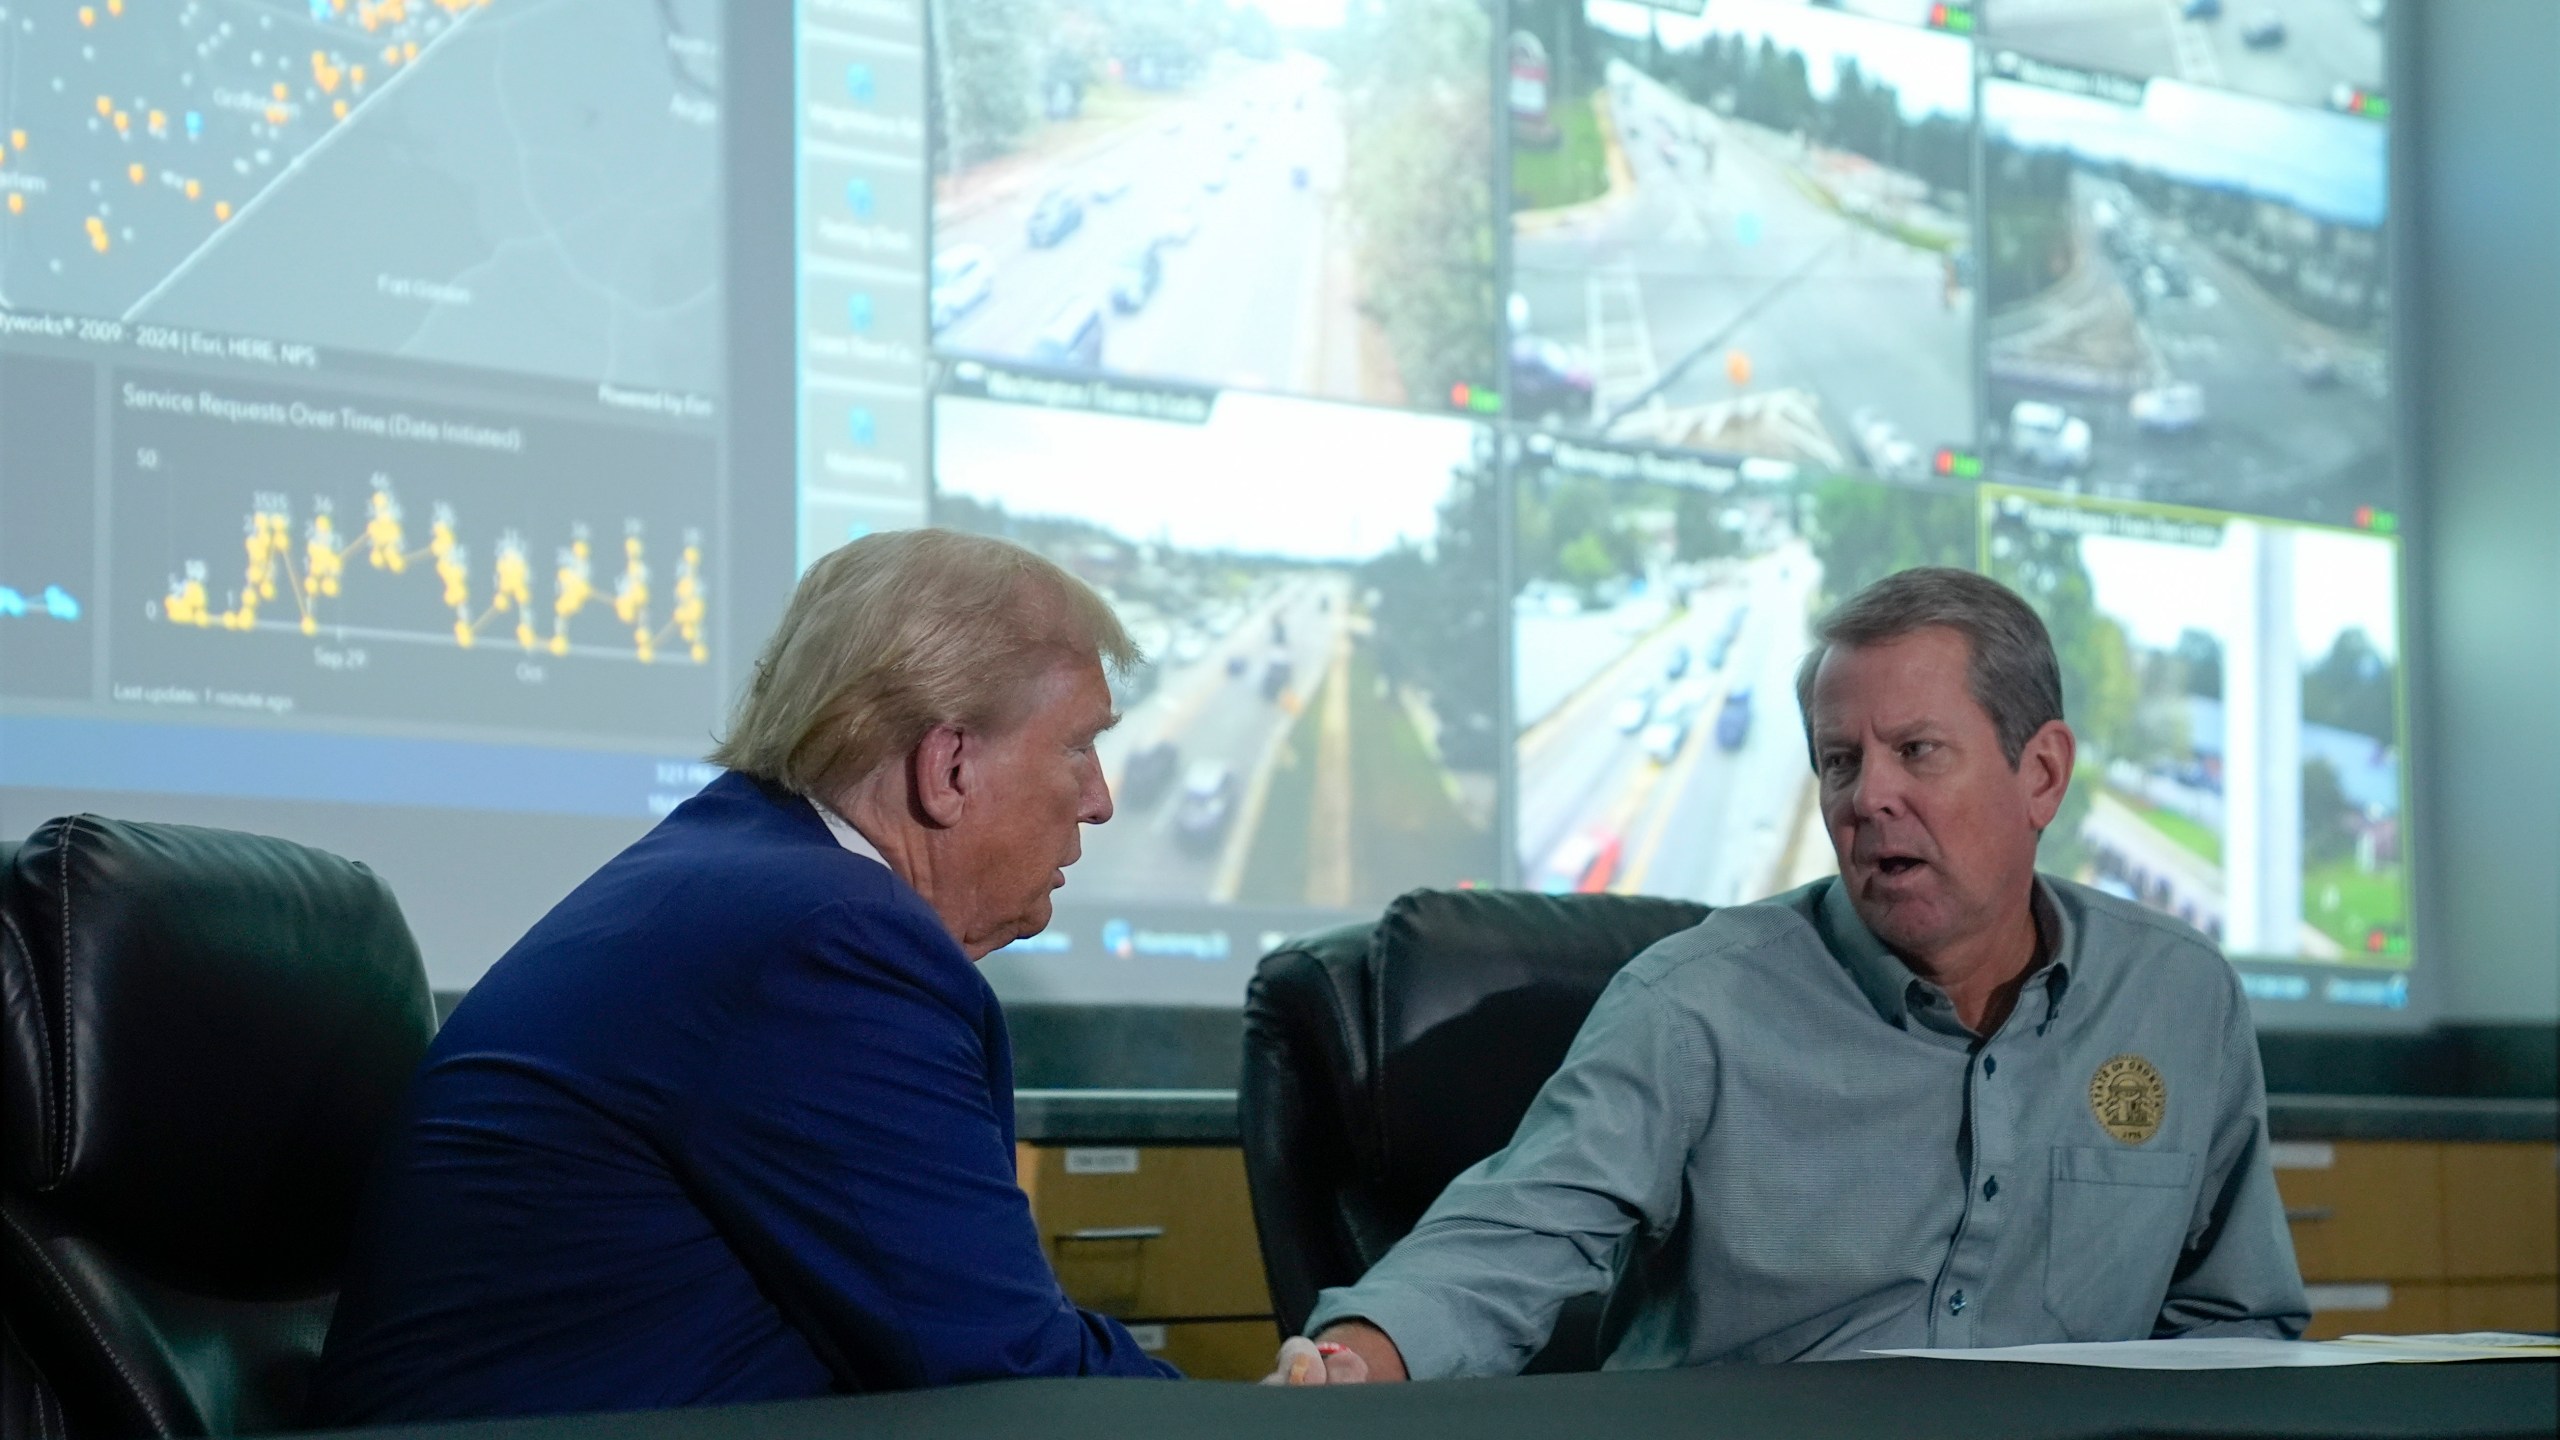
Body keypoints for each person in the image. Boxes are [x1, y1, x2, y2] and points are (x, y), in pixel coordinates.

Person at [1273, 567, 2306, 1386]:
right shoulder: (1692, 1005)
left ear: (2040, 774)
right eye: (1840, 762)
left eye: (1916, 751)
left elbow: (2233, 1325)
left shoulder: (2176, 999)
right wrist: (1354, 1361)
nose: (1869, 798)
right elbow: (1515, 1236)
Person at [313, 530, 1178, 1424]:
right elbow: (1014, 1380)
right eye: (1079, 747)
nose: (1100, 799)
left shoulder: (749, 876)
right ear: (949, 765)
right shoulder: (828, 942)